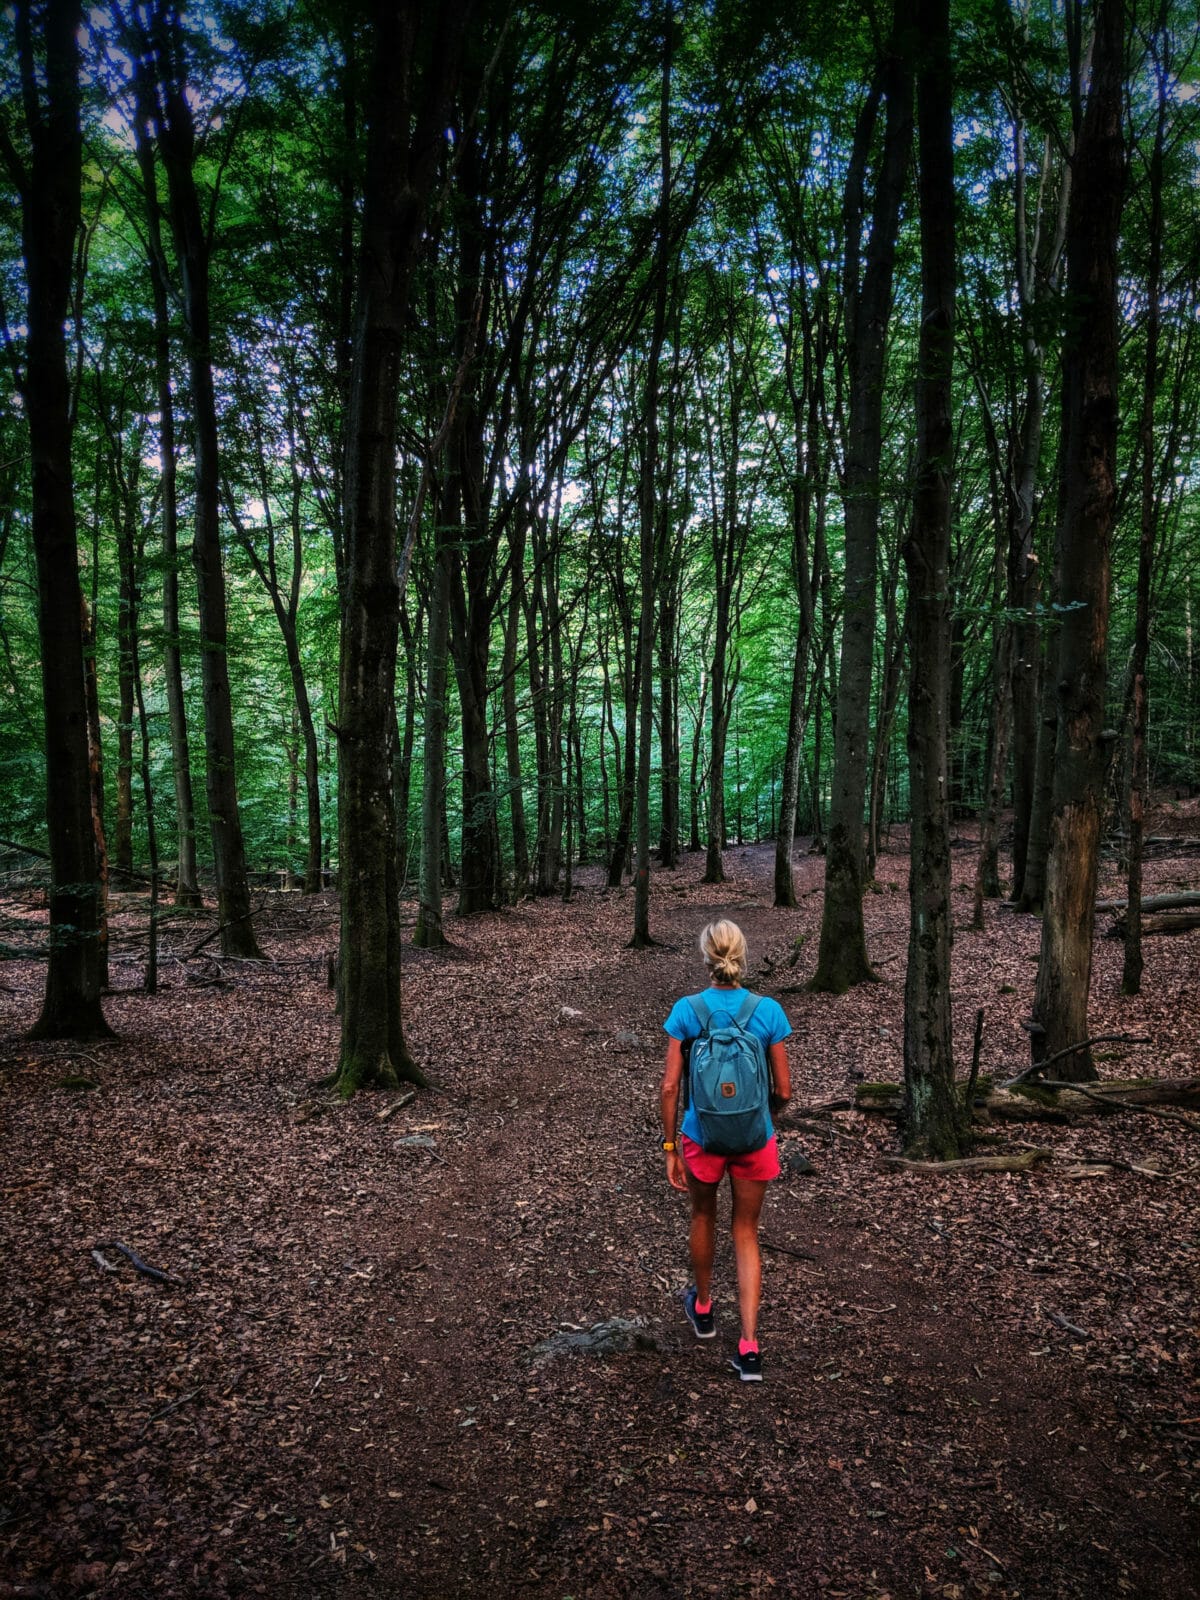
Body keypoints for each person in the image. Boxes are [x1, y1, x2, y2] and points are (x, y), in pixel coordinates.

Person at [659, 919, 792, 1382]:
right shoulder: (767, 1010)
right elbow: (786, 1090)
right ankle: (750, 1348)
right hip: (755, 1140)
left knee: (702, 1218)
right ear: (742, 954)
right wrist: (759, 1117)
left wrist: (671, 1145)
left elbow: (671, 1086)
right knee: (746, 1233)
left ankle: (703, 1309)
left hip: (702, 1137)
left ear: (706, 956)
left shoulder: (687, 1010)